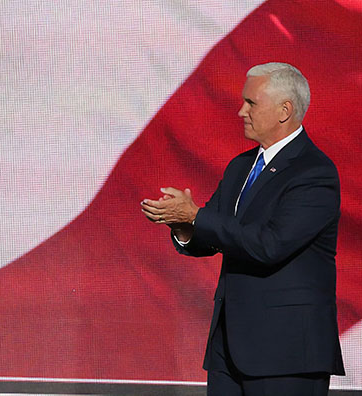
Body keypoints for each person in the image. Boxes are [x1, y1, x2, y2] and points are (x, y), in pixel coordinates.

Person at [141, 62, 344, 395]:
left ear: (285, 110)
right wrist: (183, 225)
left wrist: (197, 217)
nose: (240, 111)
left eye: (251, 103)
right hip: (228, 349)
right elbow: (213, 235)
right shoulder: (241, 166)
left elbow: (270, 245)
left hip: (286, 354)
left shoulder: (314, 173)